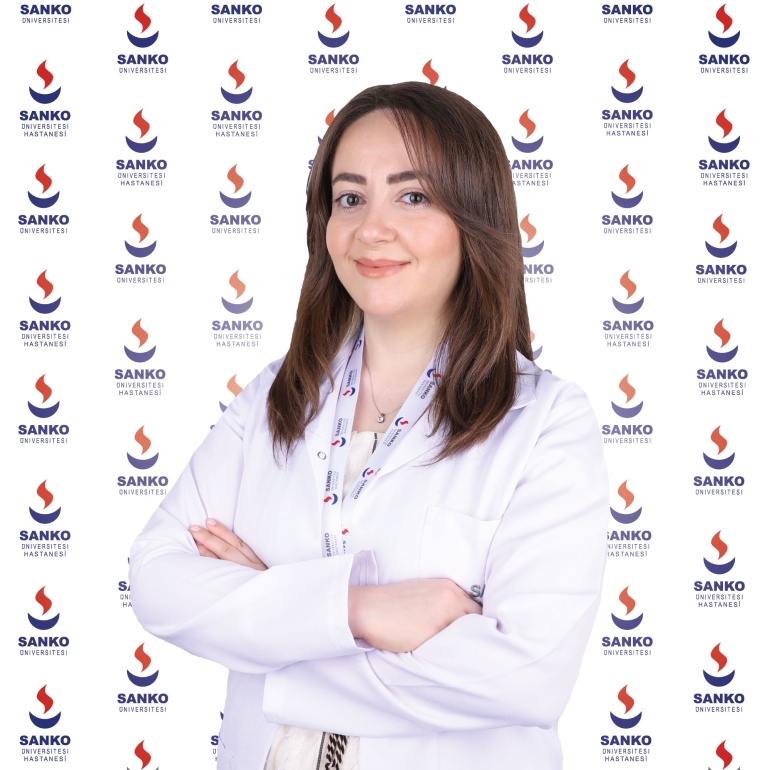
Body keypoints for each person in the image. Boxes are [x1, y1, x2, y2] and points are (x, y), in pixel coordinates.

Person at [130, 81, 609, 770]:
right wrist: (359, 611)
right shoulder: (276, 396)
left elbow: (525, 679)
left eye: (412, 197)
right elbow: (157, 579)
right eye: (350, 198)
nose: (371, 229)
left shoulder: (544, 422)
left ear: (475, 217)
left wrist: (273, 620)